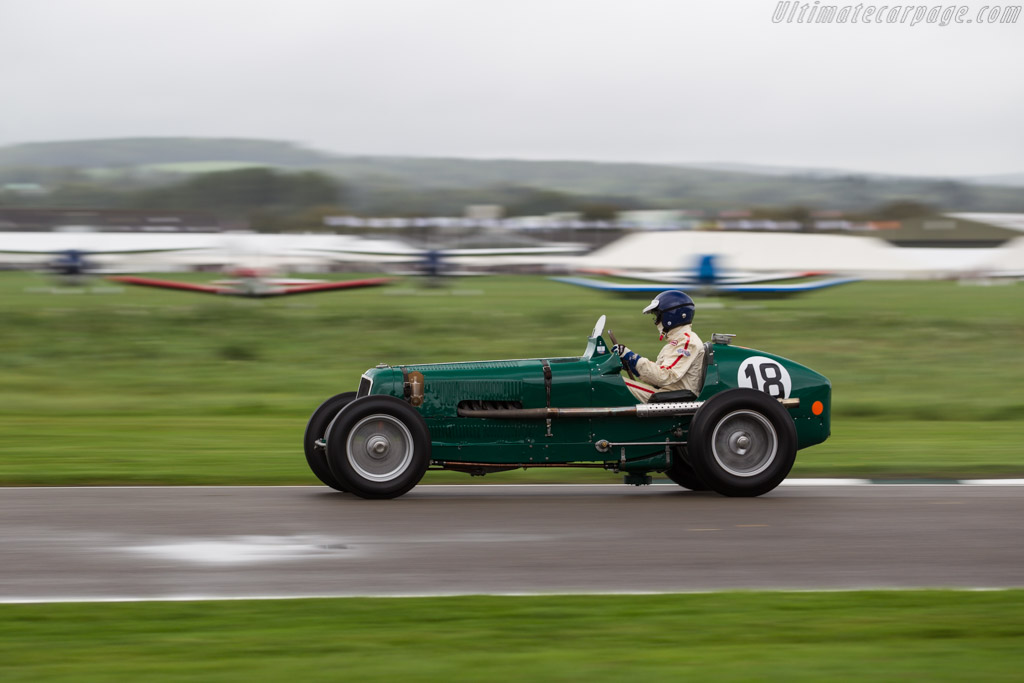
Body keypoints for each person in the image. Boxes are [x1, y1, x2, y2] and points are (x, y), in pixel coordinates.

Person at [612, 290, 704, 403]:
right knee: (611, 382)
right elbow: (657, 377)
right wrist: (631, 366)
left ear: (671, 316)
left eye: (658, 316)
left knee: (609, 383)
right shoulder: (676, 341)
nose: (656, 322)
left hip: (673, 396)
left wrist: (633, 359)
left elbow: (665, 375)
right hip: (666, 392)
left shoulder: (687, 342)